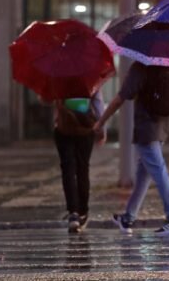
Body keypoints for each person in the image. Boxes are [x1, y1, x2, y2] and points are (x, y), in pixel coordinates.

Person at [93, 62, 169, 237]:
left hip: (146, 128)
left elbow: (120, 98)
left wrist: (101, 121)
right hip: (162, 126)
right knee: (143, 174)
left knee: (159, 171)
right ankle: (127, 218)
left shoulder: (140, 67)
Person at [53, 91, 105, 233]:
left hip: (64, 127)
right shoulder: (89, 77)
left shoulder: (59, 77)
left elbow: (48, 99)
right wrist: (102, 128)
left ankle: (73, 213)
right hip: (85, 128)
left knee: (68, 170)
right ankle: (83, 212)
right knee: (83, 169)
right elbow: (98, 103)